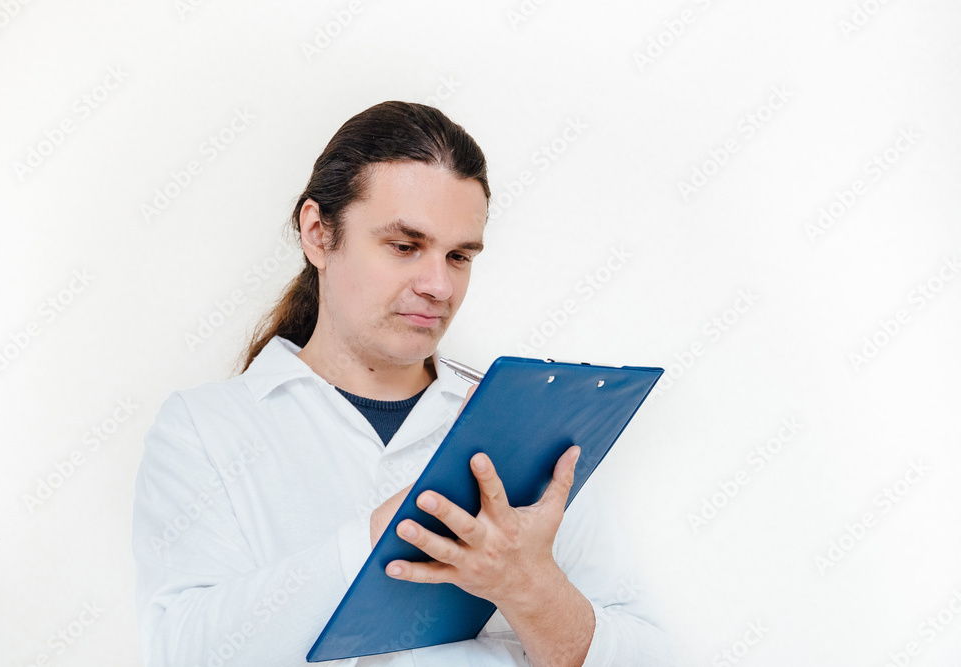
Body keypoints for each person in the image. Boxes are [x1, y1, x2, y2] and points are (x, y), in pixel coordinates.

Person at [132, 101, 676, 666]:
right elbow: (181, 652)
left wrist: (528, 590)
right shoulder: (204, 428)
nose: (439, 285)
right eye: (405, 247)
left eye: (459, 255)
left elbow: (651, 657)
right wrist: (375, 537)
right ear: (318, 234)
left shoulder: (526, 430)